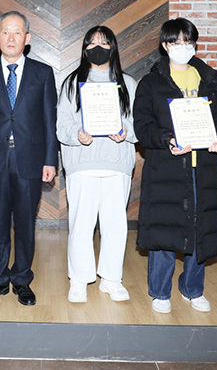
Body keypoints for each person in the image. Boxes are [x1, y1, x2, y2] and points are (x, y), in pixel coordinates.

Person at [133, 18, 217, 314]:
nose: (182, 47)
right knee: (164, 230)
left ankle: (192, 289)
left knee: (199, 227)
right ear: (165, 46)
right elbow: (143, 126)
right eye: (175, 42)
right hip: (166, 167)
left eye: (188, 42)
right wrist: (167, 139)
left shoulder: (211, 79)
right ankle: (160, 291)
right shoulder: (151, 83)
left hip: (202, 168)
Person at [0, 11, 58, 306]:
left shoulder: (43, 73)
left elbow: (50, 121)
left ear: (27, 39)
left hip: (30, 159)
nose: (11, 37)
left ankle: (21, 279)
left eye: (17, 32)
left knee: (25, 223)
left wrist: (50, 160)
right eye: (5, 32)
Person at [57, 26, 138, 303]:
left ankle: (112, 279)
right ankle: (79, 280)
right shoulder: (71, 83)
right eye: (92, 43)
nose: (98, 48)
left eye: (104, 43)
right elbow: (62, 125)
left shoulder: (128, 83)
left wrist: (126, 132)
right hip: (82, 164)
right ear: (84, 49)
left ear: (113, 48)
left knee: (115, 225)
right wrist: (77, 134)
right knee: (81, 224)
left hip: (117, 164)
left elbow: (139, 123)